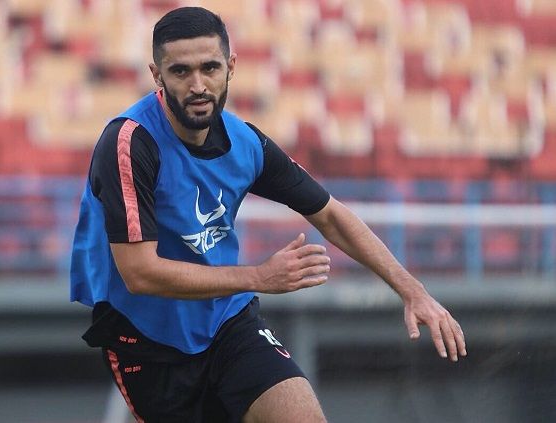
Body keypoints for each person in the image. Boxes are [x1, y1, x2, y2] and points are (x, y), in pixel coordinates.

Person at [70, 6, 466, 422]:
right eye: (181, 72)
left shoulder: (246, 143)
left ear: (231, 67)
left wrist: (412, 290)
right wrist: (260, 277)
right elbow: (140, 272)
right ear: (157, 75)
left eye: (210, 67)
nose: (198, 85)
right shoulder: (130, 142)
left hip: (228, 322)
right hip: (146, 341)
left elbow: (330, 214)